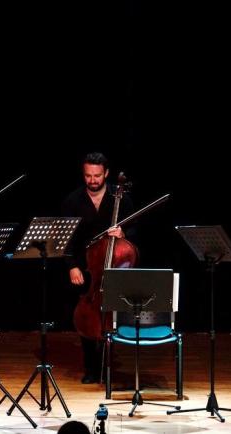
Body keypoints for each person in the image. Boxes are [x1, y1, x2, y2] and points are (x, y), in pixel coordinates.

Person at [62, 152, 135, 384]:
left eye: (97, 175)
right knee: (86, 316)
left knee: (111, 316)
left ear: (106, 174)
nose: (92, 180)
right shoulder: (73, 201)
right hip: (86, 267)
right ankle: (91, 367)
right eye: (88, 176)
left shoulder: (120, 198)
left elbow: (136, 231)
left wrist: (123, 233)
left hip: (114, 265)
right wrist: (72, 266)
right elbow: (66, 239)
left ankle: (107, 362)